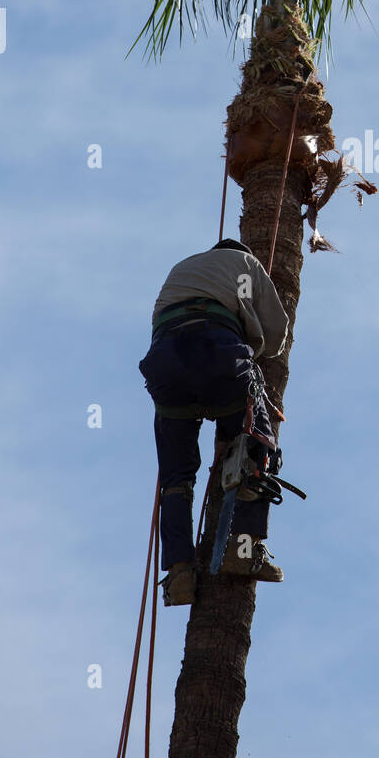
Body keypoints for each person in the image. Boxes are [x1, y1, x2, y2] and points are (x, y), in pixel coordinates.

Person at [139, 239, 289, 606]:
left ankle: (178, 574)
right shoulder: (246, 263)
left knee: (175, 479)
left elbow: (168, 327)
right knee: (257, 445)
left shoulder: (183, 268)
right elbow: (276, 335)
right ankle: (243, 549)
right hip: (217, 352)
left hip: (166, 365)